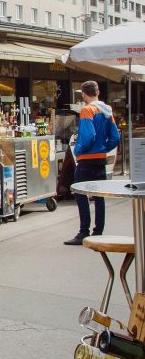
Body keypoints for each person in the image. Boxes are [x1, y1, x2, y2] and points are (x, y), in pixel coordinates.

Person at [64, 81, 120, 245]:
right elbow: (115, 138)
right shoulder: (107, 111)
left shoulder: (87, 110)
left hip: (86, 159)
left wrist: (79, 150)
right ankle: (98, 231)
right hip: (100, 158)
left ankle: (83, 232)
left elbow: (88, 136)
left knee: (80, 193)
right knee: (99, 195)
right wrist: (103, 148)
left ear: (83, 94)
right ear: (98, 92)